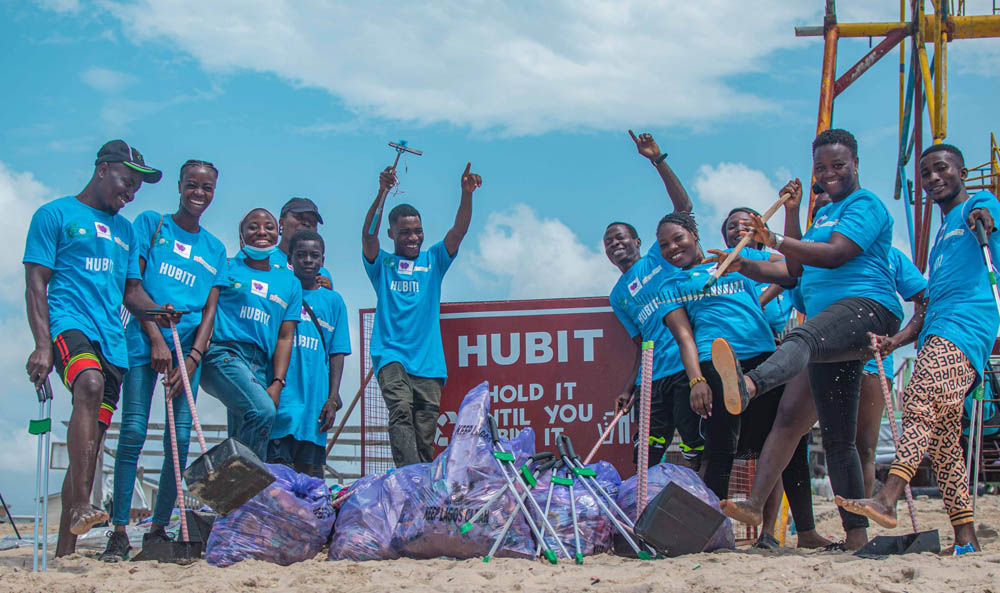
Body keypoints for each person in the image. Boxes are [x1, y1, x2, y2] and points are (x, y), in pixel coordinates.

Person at [713, 129, 903, 550]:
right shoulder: (821, 217)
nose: (830, 173)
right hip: (831, 329)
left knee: (805, 335)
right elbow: (794, 272)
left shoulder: (864, 205)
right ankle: (853, 535)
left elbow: (836, 254)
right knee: (820, 430)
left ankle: (748, 385)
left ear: (855, 164)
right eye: (821, 167)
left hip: (867, 310)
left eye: (838, 165)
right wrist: (742, 264)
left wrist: (777, 239)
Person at [838, 144, 999, 555]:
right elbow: (928, 306)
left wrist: (986, 217)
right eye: (925, 173)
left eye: (941, 169)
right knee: (944, 444)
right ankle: (966, 540)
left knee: (920, 398)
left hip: (964, 332)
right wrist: (897, 340)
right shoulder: (942, 236)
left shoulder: (977, 206)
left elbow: (988, 215)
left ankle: (888, 496)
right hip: (936, 330)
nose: (932, 179)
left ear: (961, 171)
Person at [23, 140, 174, 557]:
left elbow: (132, 291)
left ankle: (66, 549)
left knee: (90, 444)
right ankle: (82, 505)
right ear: (103, 169)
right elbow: (36, 283)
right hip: (69, 323)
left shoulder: (125, 231)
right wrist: (41, 346)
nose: (131, 193)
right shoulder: (55, 214)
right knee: (87, 385)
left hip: (113, 341)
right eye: (128, 182)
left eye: (138, 188)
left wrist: (160, 312)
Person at [99, 160, 228, 562]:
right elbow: (132, 287)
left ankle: (158, 529)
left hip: (186, 348)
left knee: (181, 439)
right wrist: (155, 338)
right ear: (179, 186)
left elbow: (209, 312)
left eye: (206, 188)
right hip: (144, 340)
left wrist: (192, 359)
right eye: (192, 185)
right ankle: (118, 530)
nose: (199, 193)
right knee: (134, 430)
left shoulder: (215, 248)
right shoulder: (151, 224)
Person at [656, 212, 781, 506]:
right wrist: (696, 380)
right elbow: (684, 337)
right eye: (664, 245)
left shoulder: (737, 257)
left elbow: (792, 271)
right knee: (720, 446)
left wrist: (752, 278)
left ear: (694, 234)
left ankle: (790, 532)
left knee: (780, 443)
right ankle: (716, 528)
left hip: (763, 355)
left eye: (678, 239)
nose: (672, 248)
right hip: (716, 360)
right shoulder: (671, 285)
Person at [362, 163, 481, 467]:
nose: (412, 237)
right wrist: (382, 192)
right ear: (392, 233)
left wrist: (466, 194)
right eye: (404, 232)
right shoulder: (383, 265)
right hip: (391, 356)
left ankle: (420, 489)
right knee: (399, 408)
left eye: (417, 231)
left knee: (424, 436)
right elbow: (368, 236)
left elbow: (459, 231)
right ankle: (409, 478)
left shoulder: (434, 260)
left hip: (429, 365)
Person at [606, 130, 704, 469]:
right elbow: (641, 343)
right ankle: (643, 519)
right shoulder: (617, 296)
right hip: (653, 380)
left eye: (619, 238)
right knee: (644, 458)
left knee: (696, 452)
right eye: (608, 243)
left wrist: (657, 159)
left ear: (636, 240)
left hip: (688, 369)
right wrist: (628, 387)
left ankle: (704, 515)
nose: (614, 245)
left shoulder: (658, 256)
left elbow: (683, 208)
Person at [200, 208, 302, 461]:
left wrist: (277, 382)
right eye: (253, 227)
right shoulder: (225, 267)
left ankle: (231, 498)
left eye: (268, 226)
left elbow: (285, 336)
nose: (261, 232)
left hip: (260, 366)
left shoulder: (290, 282)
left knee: (244, 430)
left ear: (278, 233)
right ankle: (229, 480)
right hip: (225, 354)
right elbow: (206, 308)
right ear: (241, 234)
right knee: (263, 411)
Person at [267, 230, 350, 477]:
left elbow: (337, 353)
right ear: (290, 259)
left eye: (314, 255)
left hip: (315, 403)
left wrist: (333, 398)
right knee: (278, 476)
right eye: (301, 255)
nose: (308, 260)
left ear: (323, 261)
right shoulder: (280, 293)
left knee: (309, 479)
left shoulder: (334, 301)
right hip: (283, 397)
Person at [720, 208, 793, 336]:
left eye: (746, 224)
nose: (739, 228)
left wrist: (759, 302)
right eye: (732, 227)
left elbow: (796, 267)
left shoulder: (782, 262)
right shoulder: (719, 265)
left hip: (781, 338)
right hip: (737, 337)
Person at [235, 197, 333, 288]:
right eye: (299, 217)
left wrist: (323, 292)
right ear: (281, 223)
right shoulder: (258, 255)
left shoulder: (323, 274)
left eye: (312, 221)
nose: (306, 223)